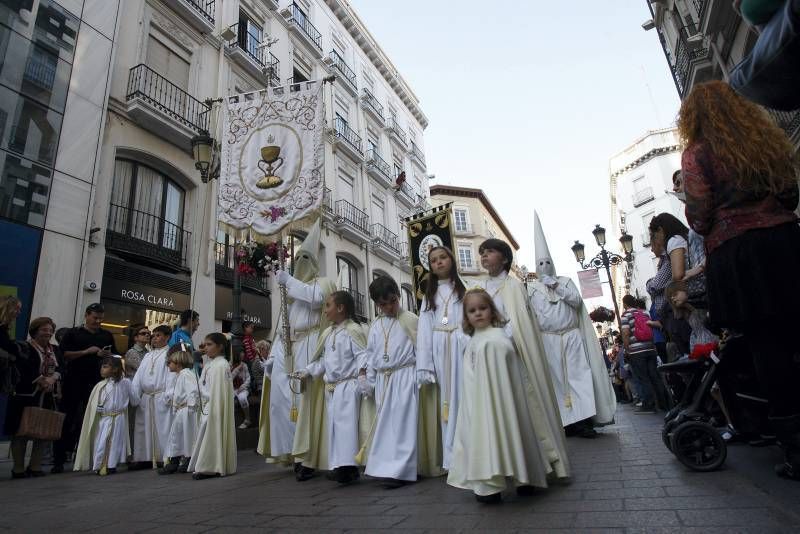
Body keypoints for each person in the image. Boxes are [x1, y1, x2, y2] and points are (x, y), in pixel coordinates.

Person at [679, 80, 800, 479]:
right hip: (785, 243)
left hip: (739, 256)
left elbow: (698, 214)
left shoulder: (697, 153)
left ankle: (795, 446)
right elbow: (789, 192)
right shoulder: (763, 142)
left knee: (769, 347)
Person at [471, 238, 570, 480]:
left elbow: (519, 323)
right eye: (482, 252)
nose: (484, 256)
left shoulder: (514, 287)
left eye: (490, 252)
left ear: (504, 258)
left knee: (525, 411)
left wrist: (503, 338)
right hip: (490, 358)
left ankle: (534, 467)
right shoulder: (479, 288)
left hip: (514, 356)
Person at [447, 289, 551, 503]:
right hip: (479, 404)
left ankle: (524, 477)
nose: (478, 314)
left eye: (482, 308)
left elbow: (511, 379)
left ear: (492, 311)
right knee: (483, 433)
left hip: (506, 404)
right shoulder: (473, 342)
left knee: (513, 424)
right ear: (466, 316)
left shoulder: (499, 340)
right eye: (472, 310)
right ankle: (488, 484)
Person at [257, 220, 336, 480]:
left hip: (309, 347)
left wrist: (288, 280)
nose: (300, 261)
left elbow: (315, 299)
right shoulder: (289, 295)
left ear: (314, 263)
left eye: (306, 257)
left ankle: (307, 455)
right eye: (297, 257)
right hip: (286, 350)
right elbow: (282, 327)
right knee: (281, 404)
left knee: (304, 402)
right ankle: (290, 451)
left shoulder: (322, 284)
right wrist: (271, 357)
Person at [528, 213, 616, 439]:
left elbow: (576, 302)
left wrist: (555, 284)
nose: (544, 266)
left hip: (571, 337)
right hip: (547, 339)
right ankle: (566, 422)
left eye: (547, 262)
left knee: (579, 376)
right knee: (556, 381)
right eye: (540, 263)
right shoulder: (530, 289)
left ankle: (584, 420)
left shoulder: (565, 282)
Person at [294, 291, 369, 485]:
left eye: (328, 306)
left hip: (348, 385)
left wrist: (362, 375)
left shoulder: (354, 330)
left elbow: (362, 354)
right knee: (335, 428)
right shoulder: (329, 333)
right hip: (332, 388)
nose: (325, 311)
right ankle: (341, 466)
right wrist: (307, 371)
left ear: (341, 308)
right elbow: (324, 362)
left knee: (347, 428)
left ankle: (348, 467)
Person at [359, 276, 420, 489]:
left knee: (403, 425)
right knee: (387, 427)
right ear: (376, 304)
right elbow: (372, 354)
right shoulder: (375, 325)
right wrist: (370, 381)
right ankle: (386, 468)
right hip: (384, 381)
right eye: (382, 304)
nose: (388, 307)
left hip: (404, 377)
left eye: (392, 301)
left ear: (398, 296)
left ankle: (403, 471)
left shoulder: (410, 319)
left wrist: (419, 376)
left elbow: (419, 349)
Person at [415, 246, 466, 468]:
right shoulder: (429, 294)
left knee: (463, 395)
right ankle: (451, 458)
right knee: (446, 399)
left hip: (460, 343)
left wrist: (466, 342)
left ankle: (468, 450)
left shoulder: (464, 288)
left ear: (452, 260)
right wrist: (424, 365)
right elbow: (424, 329)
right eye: (434, 260)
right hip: (438, 345)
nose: (439, 262)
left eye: (443, 257)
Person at [53, 303, 115, 473]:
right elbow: (63, 355)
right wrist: (86, 352)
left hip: (96, 383)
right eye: (95, 318)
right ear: (87, 315)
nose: (98, 321)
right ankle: (58, 458)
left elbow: (115, 356)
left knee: (94, 419)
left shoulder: (106, 335)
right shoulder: (73, 334)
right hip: (74, 381)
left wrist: (107, 356)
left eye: (101, 319)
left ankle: (90, 457)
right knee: (68, 419)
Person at [5, 316, 61, 479]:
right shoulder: (24, 347)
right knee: (21, 432)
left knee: (43, 432)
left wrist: (53, 378)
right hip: (26, 394)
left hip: (47, 396)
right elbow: (21, 367)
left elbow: (62, 368)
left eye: (50, 330)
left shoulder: (54, 350)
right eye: (44, 330)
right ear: (35, 331)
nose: (48, 333)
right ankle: (18, 468)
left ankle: (35, 466)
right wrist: (40, 379)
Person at [73, 356, 133, 475]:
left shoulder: (125, 383)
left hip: (119, 418)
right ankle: (99, 463)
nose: (102, 369)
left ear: (115, 369)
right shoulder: (100, 386)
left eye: (105, 367)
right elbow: (95, 405)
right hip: (104, 418)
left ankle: (111, 465)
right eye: (102, 366)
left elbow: (133, 398)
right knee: (101, 441)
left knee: (116, 441)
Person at [188, 333, 236, 479]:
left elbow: (217, 392)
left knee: (210, 432)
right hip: (207, 405)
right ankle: (203, 464)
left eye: (209, 345)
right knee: (203, 433)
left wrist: (201, 391)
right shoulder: (210, 364)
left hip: (214, 406)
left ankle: (210, 466)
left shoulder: (221, 365)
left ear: (220, 347)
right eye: (204, 345)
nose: (206, 348)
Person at [129, 325, 174, 470]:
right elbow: (138, 376)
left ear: (167, 337)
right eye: (153, 335)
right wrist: (135, 393)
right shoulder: (148, 355)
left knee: (162, 427)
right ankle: (144, 457)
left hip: (161, 395)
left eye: (158, 335)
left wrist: (168, 394)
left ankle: (163, 457)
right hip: (146, 397)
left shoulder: (170, 354)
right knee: (143, 428)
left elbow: (171, 375)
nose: (154, 338)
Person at [620, 295, 670, 414]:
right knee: (655, 376)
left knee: (643, 378)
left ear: (625, 304)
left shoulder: (626, 315)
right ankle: (664, 404)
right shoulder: (644, 313)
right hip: (650, 348)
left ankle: (649, 405)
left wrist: (627, 350)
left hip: (636, 351)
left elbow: (626, 334)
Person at [160, 345, 200, 475]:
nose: (168, 365)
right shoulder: (181, 375)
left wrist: (191, 407)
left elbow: (192, 391)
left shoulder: (186, 374)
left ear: (178, 363)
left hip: (186, 411)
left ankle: (187, 461)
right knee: (177, 437)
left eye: (170, 362)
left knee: (187, 437)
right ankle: (175, 461)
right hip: (181, 410)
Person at [230, 350, 251, 429]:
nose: (243, 356)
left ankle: (247, 419)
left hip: (242, 388)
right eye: (241, 355)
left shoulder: (245, 365)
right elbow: (230, 378)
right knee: (228, 400)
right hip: (232, 389)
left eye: (243, 355)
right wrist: (238, 368)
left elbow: (248, 379)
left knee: (242, 398)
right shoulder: (230, 365)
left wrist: (242, 387)